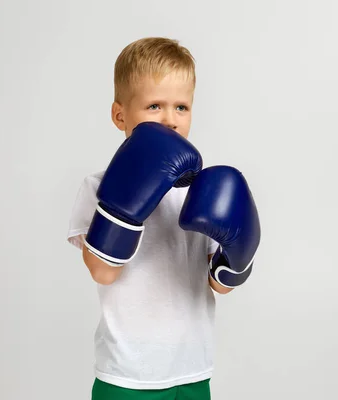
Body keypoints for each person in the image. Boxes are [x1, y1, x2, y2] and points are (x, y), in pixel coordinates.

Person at [66, 37, 261, 400]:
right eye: (155, 105)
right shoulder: (99, 186)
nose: (170, 120)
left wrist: (239, 254)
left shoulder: (202, 193)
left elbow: (219, 285)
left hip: (192, 368)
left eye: (182, 107)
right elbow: (102, 270)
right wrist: (124, 206)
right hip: (127, 374)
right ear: (120, 115)